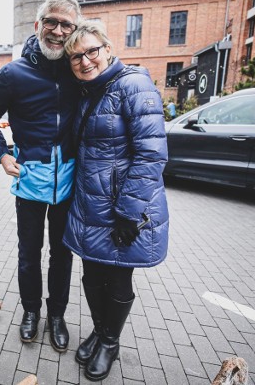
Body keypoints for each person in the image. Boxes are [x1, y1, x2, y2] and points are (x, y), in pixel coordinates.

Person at [62, 20, 169, 381]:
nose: (85, 60)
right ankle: (98, 329)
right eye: (76, 56)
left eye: (91, 51)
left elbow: (152, 154)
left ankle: (110, 341)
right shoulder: (87, 92)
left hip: (124, 208)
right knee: (92, 275)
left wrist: (128, 210)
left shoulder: (134, 84)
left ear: (108, 49)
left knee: (119, 280)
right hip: (90, 205)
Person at [0, 0, 82, 352]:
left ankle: (57, 316)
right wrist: (2, 156)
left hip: (68, 181)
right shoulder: (13, 73)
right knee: (29, 253)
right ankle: (31, 312)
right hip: (29, 180)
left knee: (63, 254)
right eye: (51, 22)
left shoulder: (77, 70)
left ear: (74, 30)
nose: (57, 30)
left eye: (66, 24)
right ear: (38, 26)